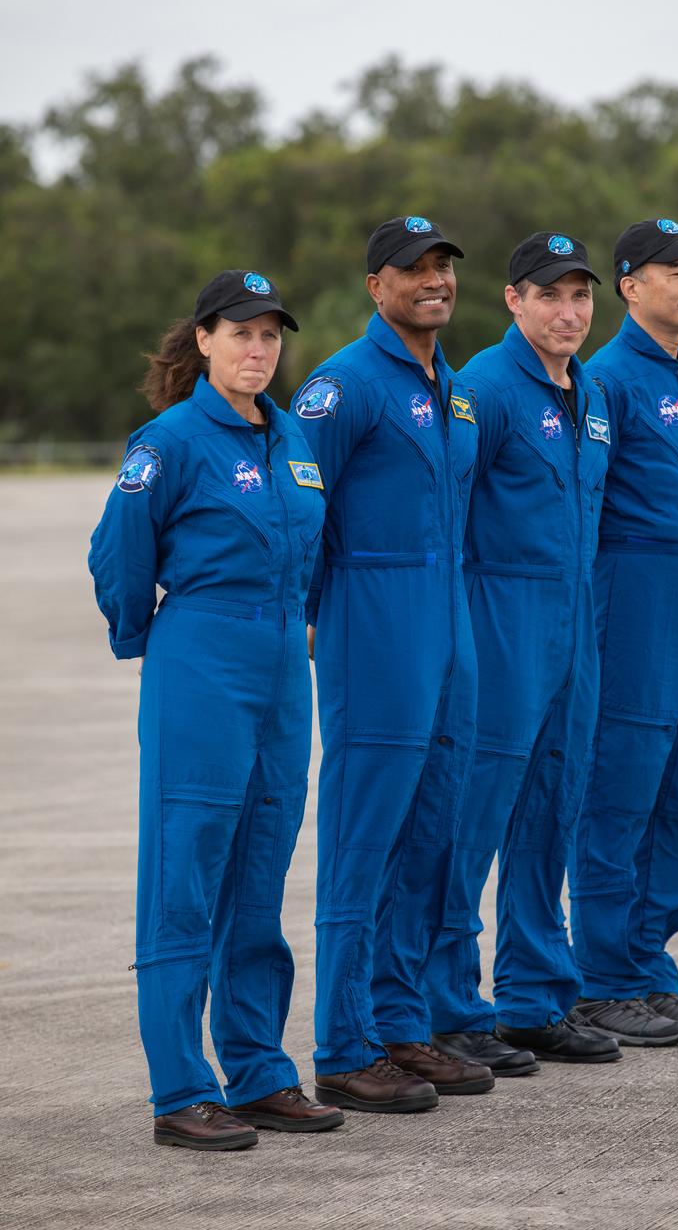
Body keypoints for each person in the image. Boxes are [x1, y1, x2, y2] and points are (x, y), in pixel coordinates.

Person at [89, 269, 343, 1149]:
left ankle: (260, 1070)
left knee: (260, 873)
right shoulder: (169, 441)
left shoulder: (294, 438)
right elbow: (119, 554)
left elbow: (313, 550)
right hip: (201, 657)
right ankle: (180, 1090)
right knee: (185, 874)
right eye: (239, 333)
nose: (257, 349)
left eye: (270, 335)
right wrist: (148, 646)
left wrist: (297, 622)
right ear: (202, 341)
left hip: (281, 666)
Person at [291, 217, 489, 1112]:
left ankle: (399, 1024)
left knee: (430, 831)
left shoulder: (449, 388)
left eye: (442, 266)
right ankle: (341, 1044)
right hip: (373, 624)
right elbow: (299, 508)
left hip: (447, 625)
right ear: (377, 285)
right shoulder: (345, 385)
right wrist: (306, 614)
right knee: (364, 834)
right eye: (414, 269)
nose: (433, 280)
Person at [421, 231, 621, 1073]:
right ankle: (446, 1005)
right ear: (513, 300)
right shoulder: (483, 392)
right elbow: (447, 512)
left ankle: (535, 999)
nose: (568, 312)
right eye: (549, 295)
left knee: (553, 805)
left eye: (579, 297)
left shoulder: (592, 394)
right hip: (500, 617)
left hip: (573, 620)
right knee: (475, 811)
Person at [569, 219, 678, 1046]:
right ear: (630, 286)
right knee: (622, 780)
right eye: (673, 269)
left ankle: (646, 964)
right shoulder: (606, 382)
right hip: (637, 600)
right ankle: (601, 978)